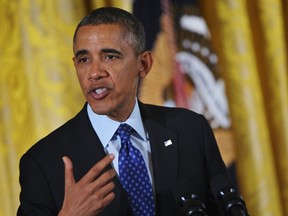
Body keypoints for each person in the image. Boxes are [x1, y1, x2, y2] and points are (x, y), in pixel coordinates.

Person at [17, 7, 245, 216]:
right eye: (84, 59)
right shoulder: (42, 162)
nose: (94, 72)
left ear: (143, 64)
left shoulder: (190, 130)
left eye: (110, 56)